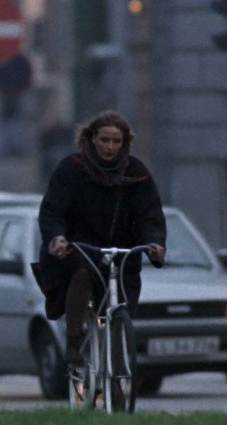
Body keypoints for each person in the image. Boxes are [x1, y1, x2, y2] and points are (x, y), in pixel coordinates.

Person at [37, 110, 167, 367]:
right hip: (78, 248)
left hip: (121, 251)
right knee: (82, 274)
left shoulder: (136, 172)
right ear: (92, 139)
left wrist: (155, 243)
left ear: (124, 143)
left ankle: (121, 365)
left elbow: (149, 214)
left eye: (116, 142)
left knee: (124, 305)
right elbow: (53, 211)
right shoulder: (72, 169)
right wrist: (57, 239)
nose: (110, 147)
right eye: (105, 140)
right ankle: (73, 342)